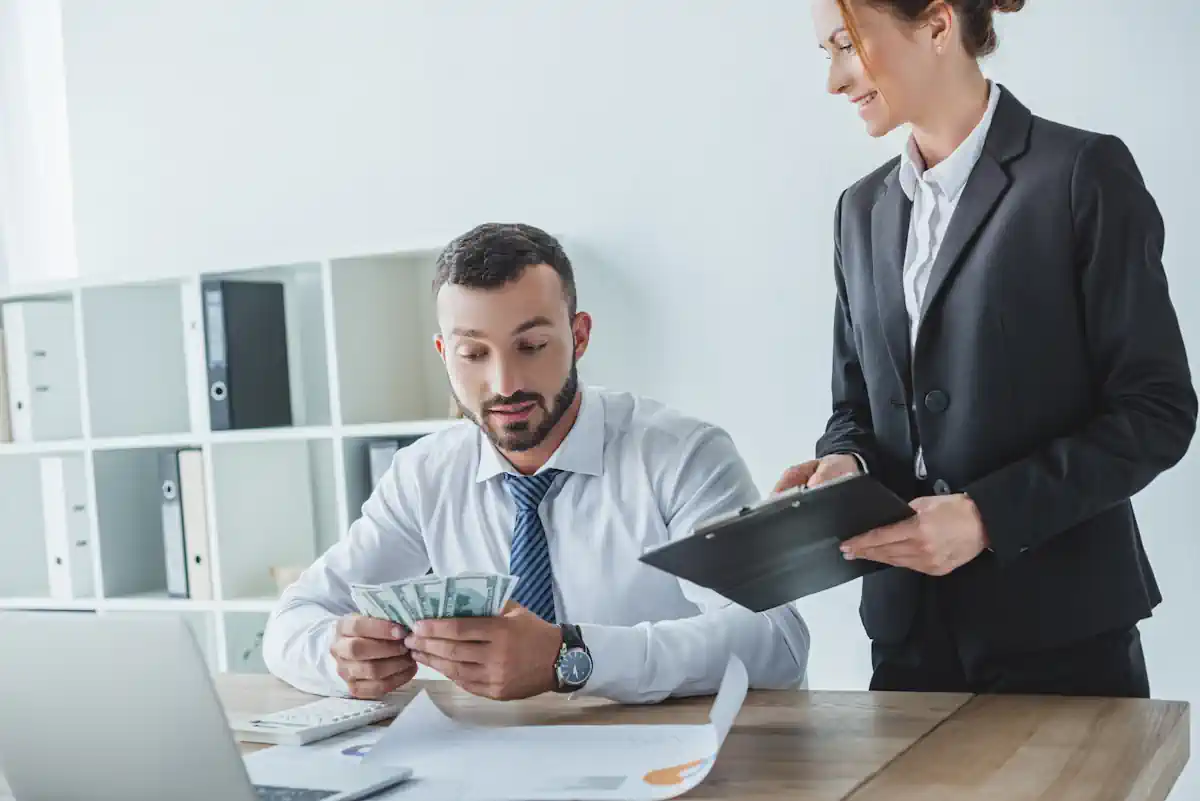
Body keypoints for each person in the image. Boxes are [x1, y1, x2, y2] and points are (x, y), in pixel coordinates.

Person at [777, 0, 1198, 697]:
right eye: (825, 53)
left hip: (1062, 638)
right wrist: (842, 464)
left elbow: (1156, 411)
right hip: (907, 643)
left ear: (938, 25)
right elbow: (854, 407)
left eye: (846, 46)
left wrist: (986, 515)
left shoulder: (1081, 174)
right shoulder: (860, 210)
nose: (835, 80)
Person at [263, 222, 810, 704]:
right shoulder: (423, 476)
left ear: (578, 336)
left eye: (531, 346)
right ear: (443, 355)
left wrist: (569, 657)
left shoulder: (680, 456)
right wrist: (339, 657)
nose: (504, 385)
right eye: (474, 354)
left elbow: (776, 641)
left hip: (683, 762)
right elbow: (291, 621)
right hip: (496, 763)